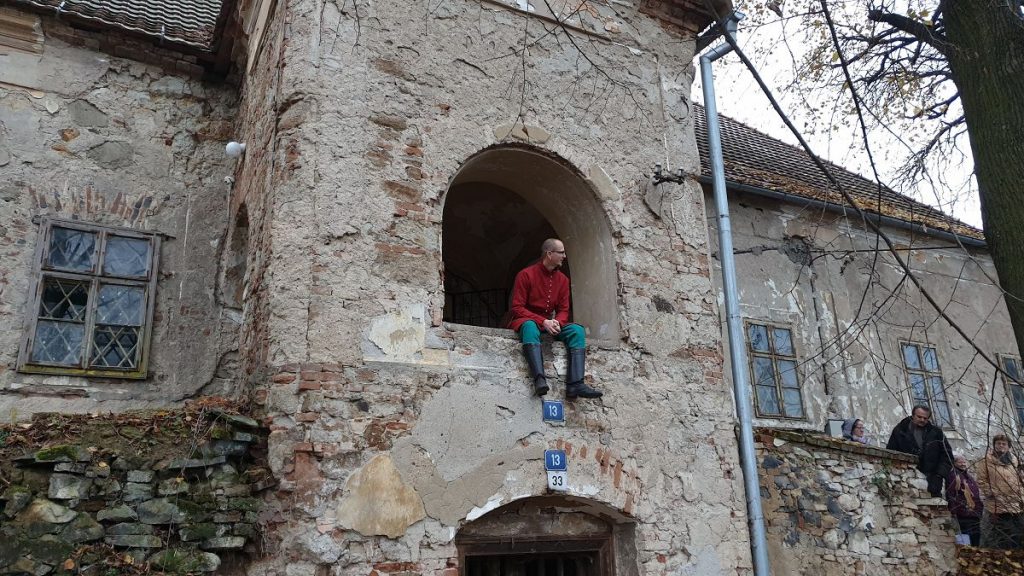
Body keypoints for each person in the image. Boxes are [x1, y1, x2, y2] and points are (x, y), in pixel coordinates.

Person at [508, 239, 602, 399]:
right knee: (530, 327)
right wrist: (543, 321)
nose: (564, 256)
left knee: (577, 330)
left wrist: (557, 322)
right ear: (549, 254)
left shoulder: (563, 280)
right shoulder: (526, 275)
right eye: (561, 252)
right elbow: (517, 307)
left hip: (550, 323)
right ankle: (539, 379)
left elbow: (564, 310)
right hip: (527, 319)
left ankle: (575, 384)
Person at [886, 405, 953, 497]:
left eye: (925, 418)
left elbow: (947, 456)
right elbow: (891, 453)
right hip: (906, 481)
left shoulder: (936, 433)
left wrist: (939, 475)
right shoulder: (900, 431)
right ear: (913, 415)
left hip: (932, 481)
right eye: (919, 417)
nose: (922, 420)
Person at [977, 434, 1024, 549]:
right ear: (994, 445)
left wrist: (1021, 496)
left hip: (1014, 504)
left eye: (1004, 444)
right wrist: (992, 493)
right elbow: (981, 480)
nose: (1001, 446)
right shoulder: (985, 461)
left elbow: (1019, 479)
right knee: (998, 537)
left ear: (1009, 446)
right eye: (998, 443)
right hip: (996, 504)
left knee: (1016, 535)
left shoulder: (1014, 460)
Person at [946, 454, 984, 546]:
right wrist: (954, 510)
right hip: (963, 512)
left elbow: (976, 494)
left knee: (976, 537)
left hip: (974, 513)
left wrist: (979, 509)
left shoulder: (968, 477)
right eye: (960, 462)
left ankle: (975, 553)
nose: (963, 464)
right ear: (954, 463)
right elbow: (951, 493)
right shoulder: (953, 476)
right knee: (966, 538)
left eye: (964, 462)